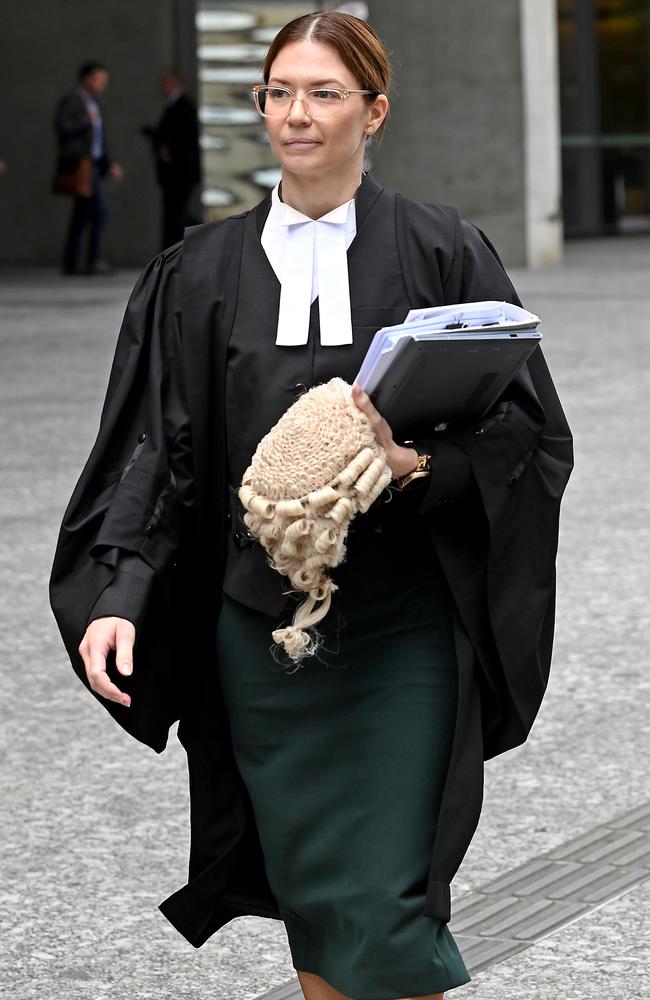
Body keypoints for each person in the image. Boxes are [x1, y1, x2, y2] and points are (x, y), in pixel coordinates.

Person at [50, 11, 573, 1000]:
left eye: (325, 93)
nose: (298, 113)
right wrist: (119, 590)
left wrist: (416, 464)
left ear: (372, 111)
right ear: (260, 108)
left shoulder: (441, 250)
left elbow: (525, 434)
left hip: (403, 631)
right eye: (280, 92)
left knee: (386, 910)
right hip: (262, 641)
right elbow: (158, 452)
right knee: (320, 901)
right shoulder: (194, 274)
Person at [53, 61, 124, 275]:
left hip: (92, 164)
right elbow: (62, 125)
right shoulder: (75, 100)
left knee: (81, 214)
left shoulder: (93, 102)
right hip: (81, 165)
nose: (102, 84)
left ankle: (71, 261)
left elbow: (99, 139)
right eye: (99, 79)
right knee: (98, 211)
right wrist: (85, 121)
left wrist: (108, 163)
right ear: (86, 78)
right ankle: (92, 260)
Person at [141, 67, 202, 250]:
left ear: (173, 83)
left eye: (165, 82)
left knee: (176, 215)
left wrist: (160, 140)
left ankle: (175, 252)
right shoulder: (176, 105)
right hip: (175, 174)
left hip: (180, 173)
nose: (161, 86)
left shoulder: (183, 106)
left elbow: (182, 140)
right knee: (176, 215)